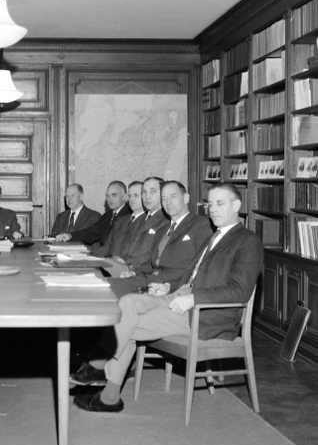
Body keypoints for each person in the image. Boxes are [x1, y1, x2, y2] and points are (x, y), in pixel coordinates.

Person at [71, 182, 264, 413]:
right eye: (210, 204)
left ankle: (107, 389)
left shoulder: (247, 241)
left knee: (128, 323)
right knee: (127, 302)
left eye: (219, 203)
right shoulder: (214, 236)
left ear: (237, 205)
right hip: (179, 296)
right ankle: (100, 372)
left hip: (204, 313)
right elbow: (189, 274)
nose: (212, 209)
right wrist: (167, 286)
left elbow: (239, 291)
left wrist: (194, 298)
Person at [107, 180, 213, 297]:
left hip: (170, 286)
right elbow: (151, 264)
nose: (168, 202)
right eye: (164, 198)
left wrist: (170, 286)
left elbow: (199, 267)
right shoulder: (162, 230)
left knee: (110, 288)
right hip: (149, 279)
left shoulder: (201, 224)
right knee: (105, 285)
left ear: (186, 198)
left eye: (173, 196)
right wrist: (133, 273)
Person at [98, 177, 168, 274]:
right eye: (144, 192)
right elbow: (128, 247)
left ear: (163, 194)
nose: (147, 196)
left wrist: (126, 265)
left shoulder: (166, 221)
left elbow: (151, 257)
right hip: (127, 267)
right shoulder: (141, 220)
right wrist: (120, 258)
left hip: (142, 273)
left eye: (153, 191)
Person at [56, 181, 131, 249]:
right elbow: (90, 233)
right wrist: (70, 236)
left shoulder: (130, 215)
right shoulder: (106, 216)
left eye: (114, 195)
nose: (110, 199)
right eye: (108, 196)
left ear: (124, 196)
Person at [94, 180, 145, 258]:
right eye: (130, 196)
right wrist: (91, 258)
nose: (131, 199)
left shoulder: (147, 221)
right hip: (110, 262)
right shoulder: (120, 221)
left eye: (136, 195)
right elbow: (107, 247)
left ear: (145, 197)